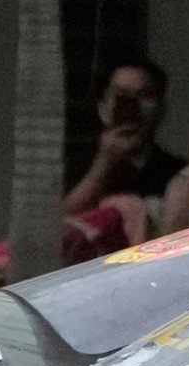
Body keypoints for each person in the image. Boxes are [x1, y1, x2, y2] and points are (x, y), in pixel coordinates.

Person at [55, 59, 175, 263]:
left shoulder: (178, 174)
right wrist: (103, 164)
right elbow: (51, 231)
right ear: (103, 108)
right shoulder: (73, 168)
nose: (131, 107)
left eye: (143, 96)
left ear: (161, 109)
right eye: (121, 96)